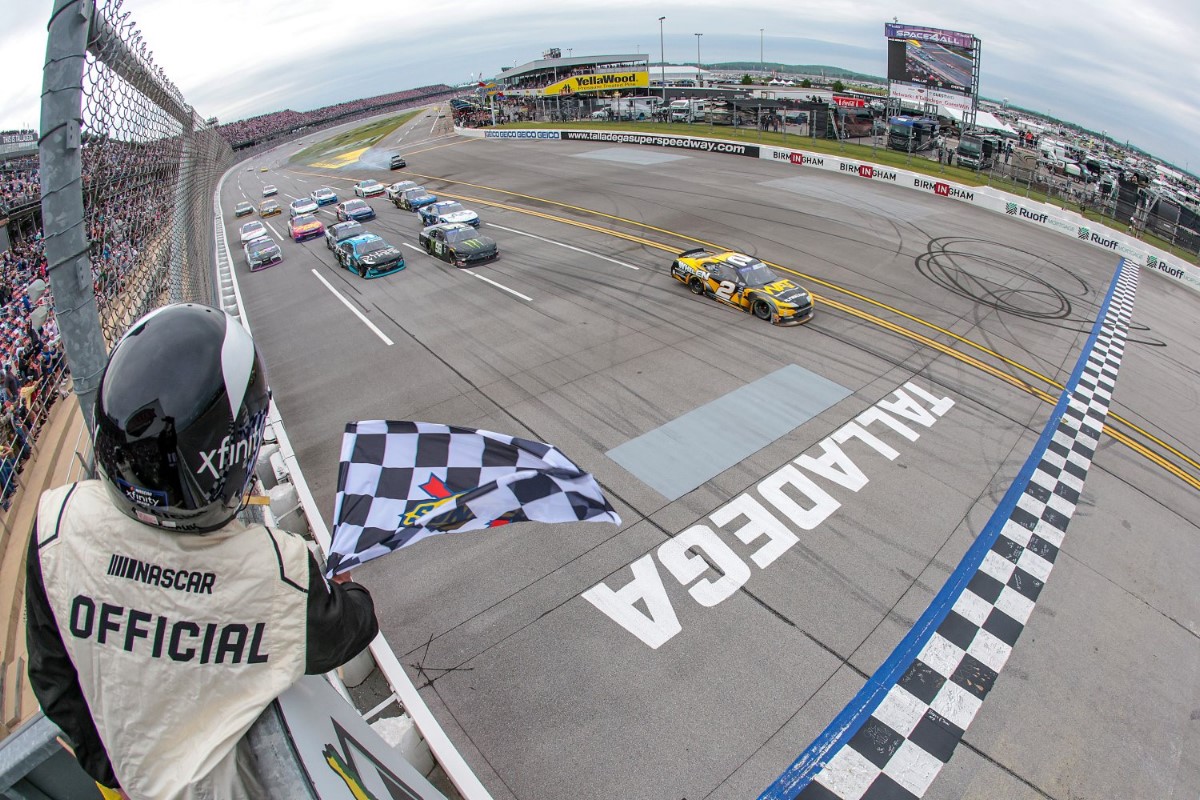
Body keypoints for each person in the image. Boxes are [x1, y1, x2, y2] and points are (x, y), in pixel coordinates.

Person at [25, 303, 378, 799]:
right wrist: (347, 585)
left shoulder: (55, 525)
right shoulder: (275, 570)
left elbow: (54, 683)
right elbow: (350, 627)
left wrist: (121, 774)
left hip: (127, 781)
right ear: (223, 457)